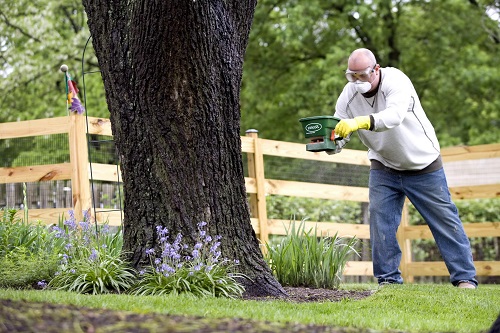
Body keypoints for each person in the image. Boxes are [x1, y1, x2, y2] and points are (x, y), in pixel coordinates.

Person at [333, 48, 478, 288]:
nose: (357, 81)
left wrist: (359, 122)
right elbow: (339, 128)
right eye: (352, 76)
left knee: (445, 222)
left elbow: (394, 116)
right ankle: (388, 281)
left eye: (363, 75)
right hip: (384, 165)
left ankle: (465, 278)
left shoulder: (396, 80)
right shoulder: (348, 95)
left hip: (422, 163)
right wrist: (330, 143)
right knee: (381, 222)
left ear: (376, 70)